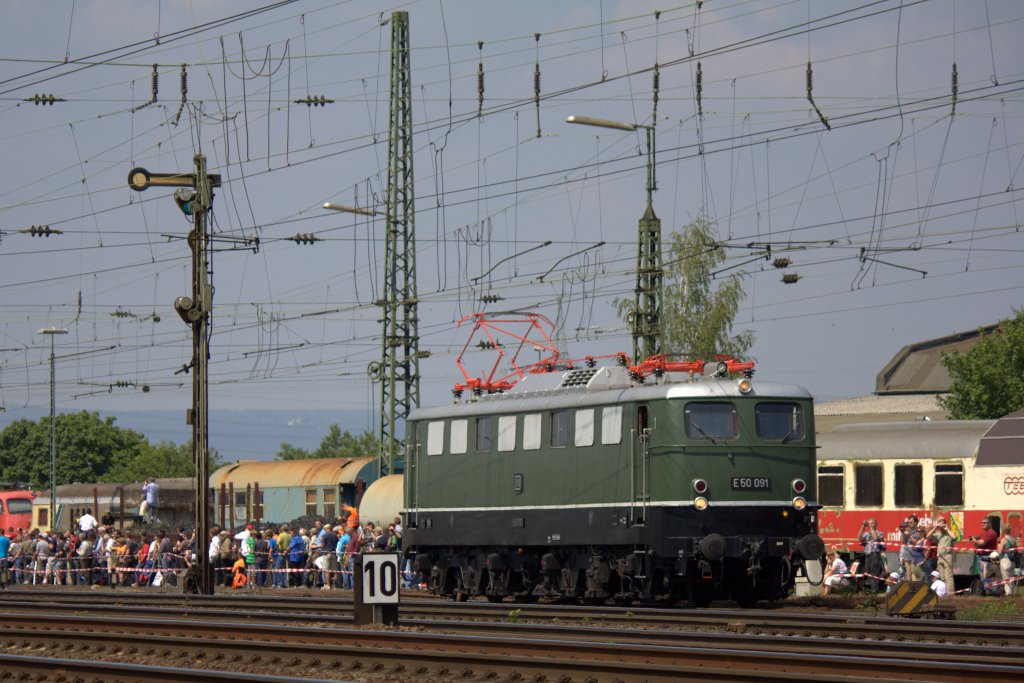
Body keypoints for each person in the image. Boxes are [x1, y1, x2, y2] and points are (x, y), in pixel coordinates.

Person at [928, 518, 955, 595]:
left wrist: (947, 529)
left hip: (947, 556)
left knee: (948, 576)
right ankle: (944, 593)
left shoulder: (948, 533)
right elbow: (928, 536)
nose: (941, 527)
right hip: (940, 557)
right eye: (940, 524)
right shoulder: (938, 534)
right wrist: (935, 527)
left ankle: (950, 593)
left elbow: (954, 537)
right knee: (942, 576)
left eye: (943, 524)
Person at [859, 518, 885, 591]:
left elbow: (875, 538)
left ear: (876, 524)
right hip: (867, 555)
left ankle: (875, 590)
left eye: (872, 523)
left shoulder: (879, 532)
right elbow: (859, 538)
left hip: (875, 554)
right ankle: (871, 589)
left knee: (874, 573)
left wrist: (871, 529)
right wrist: (863, 527)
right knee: (868, 572)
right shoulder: (866, 534)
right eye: (869, 523)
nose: (870, 525)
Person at [970, 516, 999, 581]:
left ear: (990, 524)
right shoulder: (984, 533)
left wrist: (974, 541)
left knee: (986, 578)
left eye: (985, 523)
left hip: (986, 557)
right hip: (981, 557)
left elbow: (981, 543)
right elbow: (978, 542)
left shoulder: (991, 533)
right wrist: (976, 541)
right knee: (982, 577)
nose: (982, 524)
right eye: (982, 523)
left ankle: (988, 590)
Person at [996, 526, 1019, 596]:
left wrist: (999, 546)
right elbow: (1016, 550)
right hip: (1012, 561)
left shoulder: (1003, 540)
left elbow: (1000, 552)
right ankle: (1012, 592)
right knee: (1011, 578)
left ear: (1003, 531)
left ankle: (1008, 594)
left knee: (1006, 578)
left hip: (1005, 561)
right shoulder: (1013, 539)